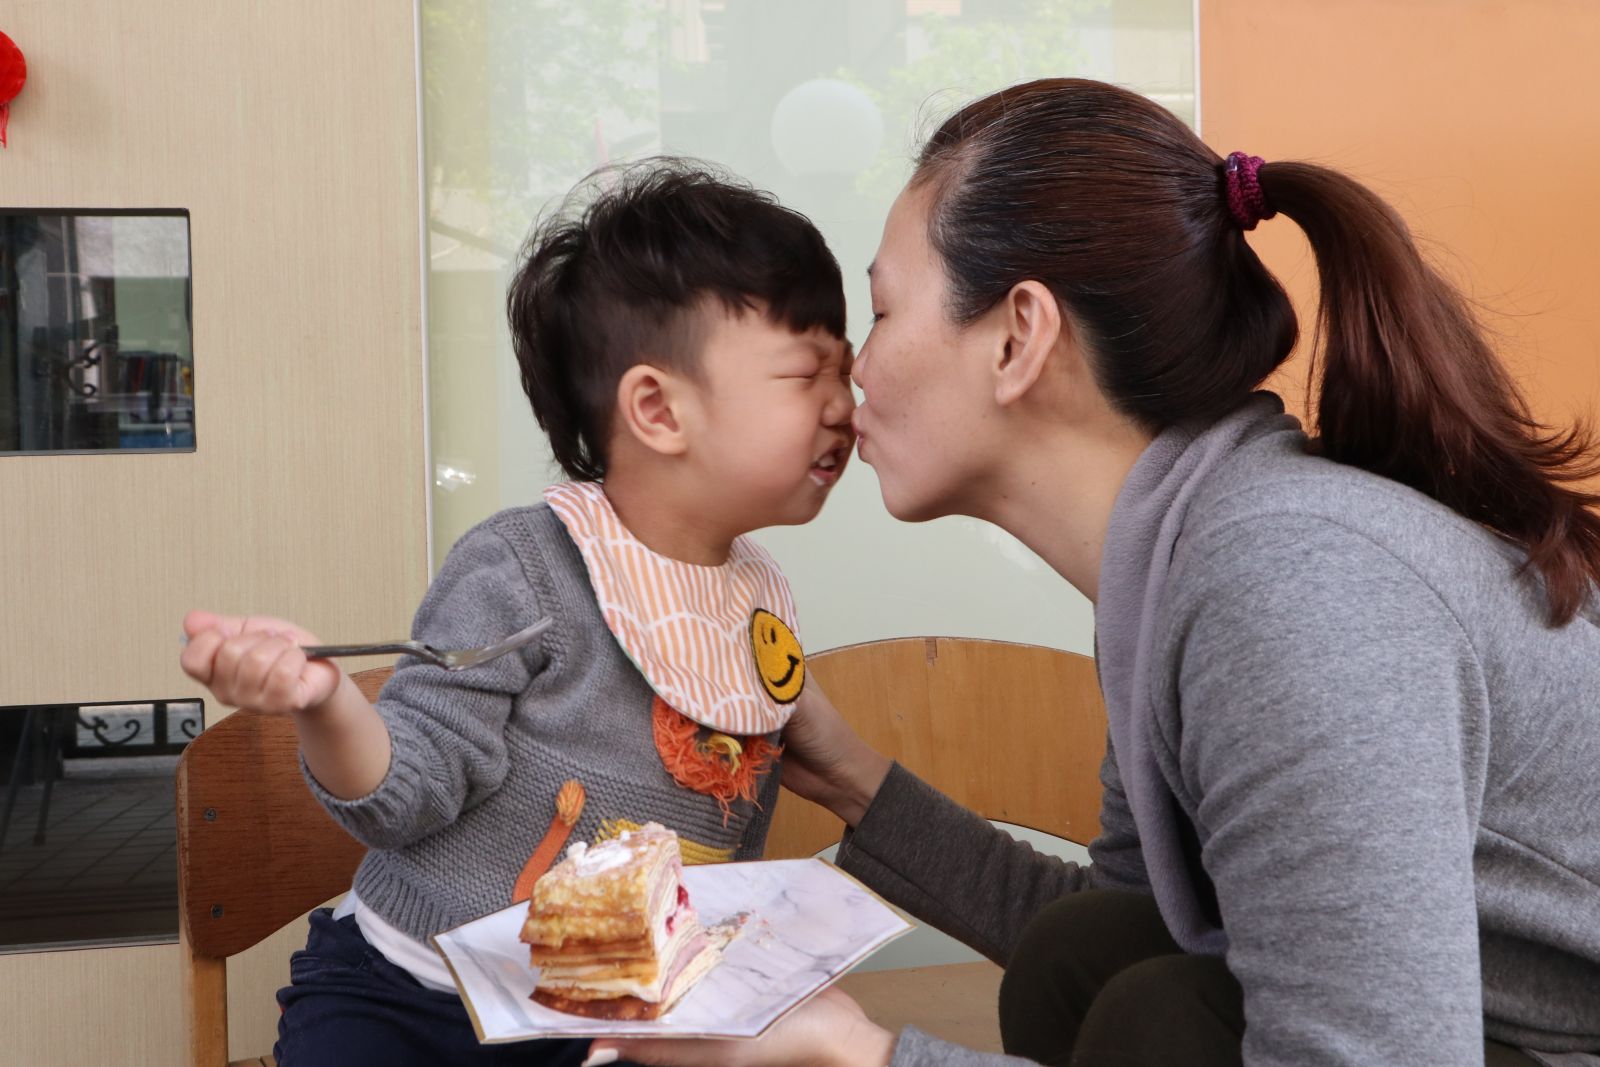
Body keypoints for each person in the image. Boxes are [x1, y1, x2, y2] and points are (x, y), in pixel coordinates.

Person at [588, 78, 1600, 1067]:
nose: (853, 370)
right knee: (1087, 962)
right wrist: (851, 779)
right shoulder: (1176, 568)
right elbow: (1139, 924)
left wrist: (859, 1053)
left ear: (1019, 337)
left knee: (1157, 1023)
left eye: (885, 313)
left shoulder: (1291, 584)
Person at [179, 161, 856, 1067]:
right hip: (407, 999)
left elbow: (732, 845)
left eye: (844, 373)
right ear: (657, 408)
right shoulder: (525, 571)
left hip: (608, 1024)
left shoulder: (755, 604)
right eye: (808, 374)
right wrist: (325, 700)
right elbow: (404, 790)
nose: (845, 408)